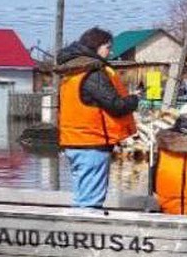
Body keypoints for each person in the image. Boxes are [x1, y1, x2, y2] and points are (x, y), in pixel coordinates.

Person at [56, 27, 141, 208]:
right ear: (96, 46)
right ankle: (85, 233)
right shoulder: (94, 73)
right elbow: (116, 106)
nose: (110, 52)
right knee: (90, 202)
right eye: (108, 47)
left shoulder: (72, 71)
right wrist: (134, 100)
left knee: (81, 197)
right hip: (91, 144)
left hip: (73, 142)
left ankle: (77, 231)